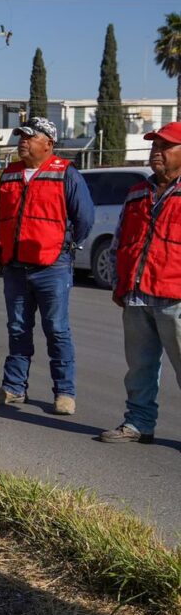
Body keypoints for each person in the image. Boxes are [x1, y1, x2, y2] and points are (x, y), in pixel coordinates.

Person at [0, 117, 94, 414]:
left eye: (30, 136)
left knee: (56, 329)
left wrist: (64, 247)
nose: (23, 141)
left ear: (49, 143)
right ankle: (14, 388)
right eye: (21, 136)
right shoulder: (8, 175)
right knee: (17, 328)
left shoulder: (65, 173)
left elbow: (84, 218)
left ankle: (65, 393)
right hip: (16, 267)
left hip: (52, 266)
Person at [98, 121, 181, 444]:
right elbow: (121, 241)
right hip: (137, 295)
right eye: (154, 146)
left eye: (166, 147)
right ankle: (139, 423)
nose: (157, 153)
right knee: (139, 368)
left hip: (174, 296)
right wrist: (121, 283)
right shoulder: (137, 192)